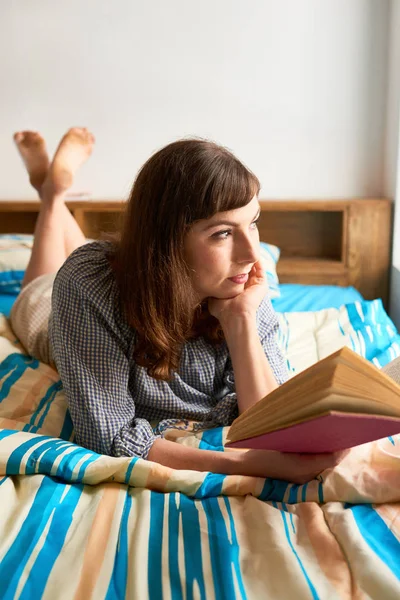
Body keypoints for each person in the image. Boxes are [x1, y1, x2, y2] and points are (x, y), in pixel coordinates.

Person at [10, 128, 347, 484]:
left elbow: (271, 422)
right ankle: (51, 196)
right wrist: (254, 466)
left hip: (139, 270)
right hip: (50, 315)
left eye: (253, 223)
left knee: (92, 254)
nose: (251, 254)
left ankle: (53, 191)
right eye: (223, 233)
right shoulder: (87, 284)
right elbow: (108, 436)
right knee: (44, 278)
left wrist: (242, 320)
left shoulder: (242, 282)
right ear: (167, 241)